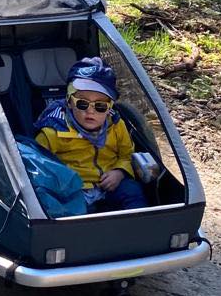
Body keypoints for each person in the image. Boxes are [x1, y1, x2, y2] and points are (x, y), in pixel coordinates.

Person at [31, 57, 145, 212]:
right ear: (69, 101)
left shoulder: (116, 125)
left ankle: (139, 225)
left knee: (133, 191)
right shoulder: (52, 132)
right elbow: (40, 168)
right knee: (75, 214)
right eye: (82, 103)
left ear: (109, 107)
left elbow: (127, 155)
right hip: (74, 190)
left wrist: (120, 172)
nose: (90, 111)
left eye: (100, 106)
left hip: (110, 181)